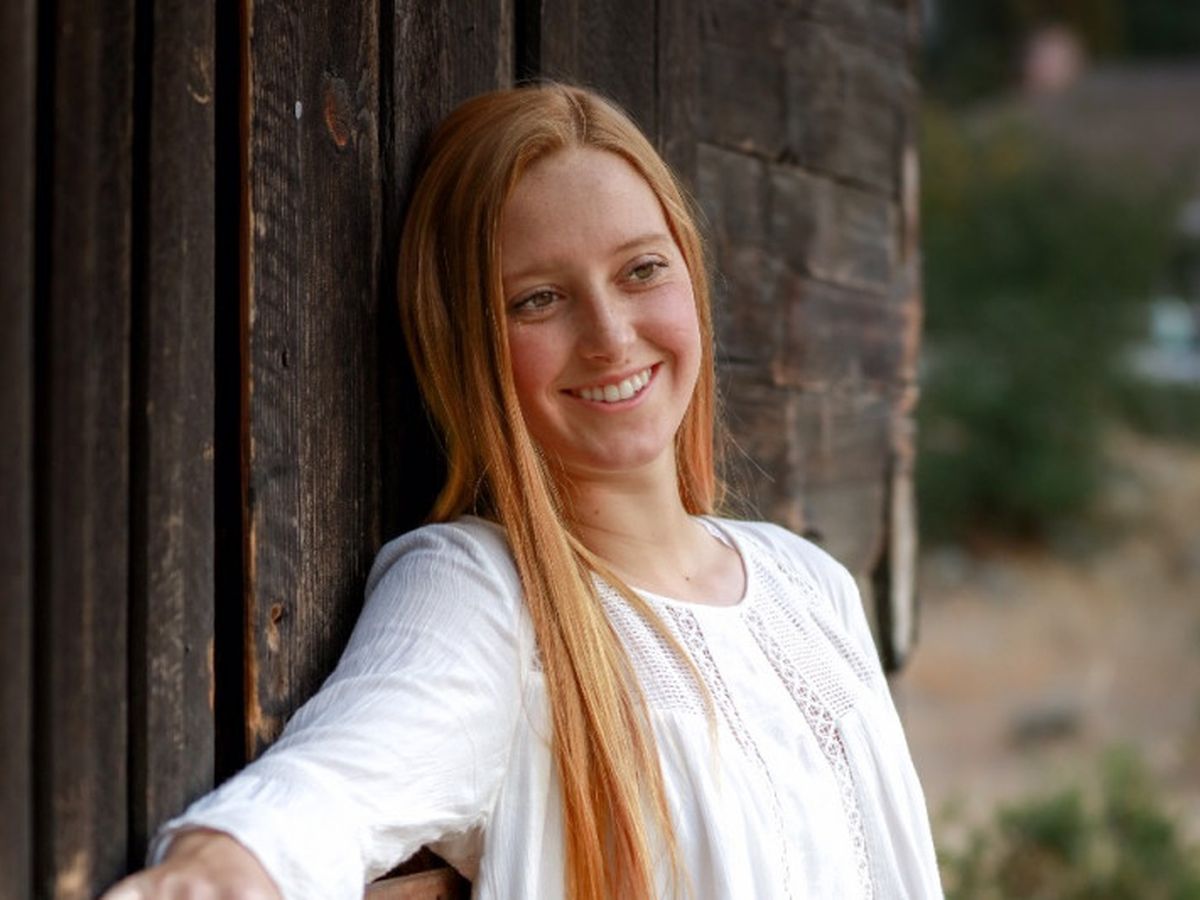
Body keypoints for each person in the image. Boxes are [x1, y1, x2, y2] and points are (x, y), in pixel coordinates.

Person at [103, 82, 942, 900]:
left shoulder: (811, 585)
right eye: (538, 299)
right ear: (467, 342)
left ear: (690, 272)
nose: (610, 336)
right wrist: (219, 865)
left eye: (642, 269)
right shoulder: (487, 592)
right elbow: (336, 785)